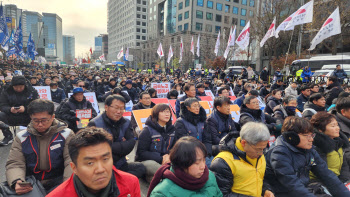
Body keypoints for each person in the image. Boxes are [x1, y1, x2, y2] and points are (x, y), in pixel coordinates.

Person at [264, 116, 350, 196]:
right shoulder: (279, 153)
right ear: (292, 137)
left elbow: (327, 175)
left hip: (303, 190)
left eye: (312, 135)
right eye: (307, 136)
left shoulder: (309, 149)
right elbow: (292, 185)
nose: (311, 139)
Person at [47, 127, 141, 197]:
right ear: (74, 168)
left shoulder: (131, 183)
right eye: (90, 163)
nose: (100, 169)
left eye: (105, 159)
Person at [6, 99, 75, 194]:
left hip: (58, 181)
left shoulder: (66, 134)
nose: (40, 124)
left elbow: (70, 161)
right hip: (31, 182)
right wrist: (17, 181)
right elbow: (15, 163)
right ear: (31, 118)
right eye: (35, 120)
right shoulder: (21, 137)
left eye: (44, 120)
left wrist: (67, 185)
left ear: (52, 117)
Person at [210, 122, 274, 197]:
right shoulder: (223, 162)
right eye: (258, 149)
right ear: (244, 143)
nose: (261, 153)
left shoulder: (259, 155)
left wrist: (266, 190)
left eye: (263, 149)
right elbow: (221, 194)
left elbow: (260, 178)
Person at [88, 95, 145, 178]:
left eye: (122, 108)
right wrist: (121, 145)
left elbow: (131, 143)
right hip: (103, 166)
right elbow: (95, 149)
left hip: (121, 163)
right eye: (116, 108)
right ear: (106, 107)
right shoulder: (95, 124)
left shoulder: (126, 122)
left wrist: (109, 145)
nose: (119, 111)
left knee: (141, 168)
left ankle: (117, 180)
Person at [147, 136, 223, 197]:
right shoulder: (163, 193)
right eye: (197, 163)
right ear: (182, 163)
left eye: (203, 160)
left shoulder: (209, 176)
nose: (203, 166)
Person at [136, 104, 176, 182]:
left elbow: (175, 147)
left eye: (168, 112)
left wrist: (169, 156)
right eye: (163, 112)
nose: (167, 114)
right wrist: (160, 158)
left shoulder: (172, 129)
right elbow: (141, 153)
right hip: (149, 160)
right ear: (156, 114)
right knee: (163, 172)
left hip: (168, 159)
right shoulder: (147, 130)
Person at [310, 112, 350, 183]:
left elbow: (344, 166)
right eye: (333, 126)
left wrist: (344, 181)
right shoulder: (317, 146)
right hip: (320, 183)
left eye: (337, 125)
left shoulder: (339, 142)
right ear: (320, 129)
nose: (337, 128)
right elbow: (321, 172)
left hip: (337, 181)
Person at [0, 75, 39, 144]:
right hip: (11, 115)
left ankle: (34, 134)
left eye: (21, 87)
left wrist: (26, 108)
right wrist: (10, 109)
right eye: (16, 87)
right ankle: (8, 136)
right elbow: (2, 105)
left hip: (28, 115)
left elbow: (36, 104)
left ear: (24, 85)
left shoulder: (32, 91)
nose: (18, 89)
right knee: (1, 115)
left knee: (38, 113)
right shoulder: (6, 91)